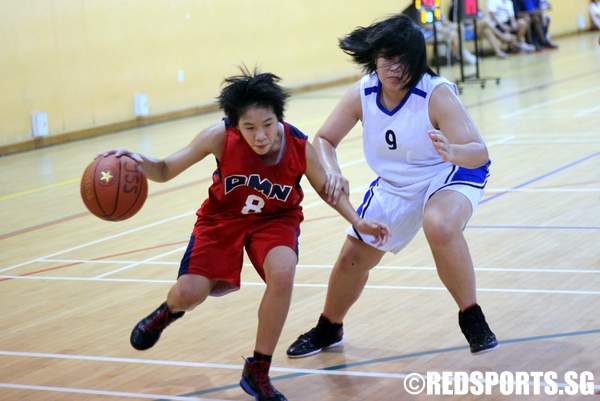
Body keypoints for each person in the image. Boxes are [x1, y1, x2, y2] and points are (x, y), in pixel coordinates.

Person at [100, 69, 389, 401]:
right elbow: (165, 170)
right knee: (189, 292)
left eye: (267, 125)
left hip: (277, 219)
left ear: (278, 118)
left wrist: (358, 221)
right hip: (222, 219)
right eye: (249, 128)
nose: (261, 135)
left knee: (283, 273)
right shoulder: (218, 138)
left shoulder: (298, 146)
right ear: (235, 124)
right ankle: (167, 311)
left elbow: (329, 190)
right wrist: (139, 161)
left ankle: (258, 370)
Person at [286, 14, 497, 360]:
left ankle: (472, 317)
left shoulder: (436, 94)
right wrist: (332, 170)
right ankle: (329, 326)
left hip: (451, 171)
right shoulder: (363, 92)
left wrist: (452, 150)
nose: (394, 67)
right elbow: (324, 139)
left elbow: (479, 152)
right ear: (375, 57)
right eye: (387, 57)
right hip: (396, 184)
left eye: (403, 59)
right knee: (353, 257)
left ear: (417, 60)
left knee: (439, 223)